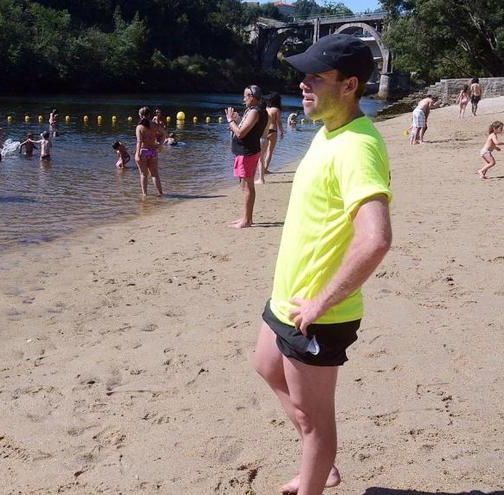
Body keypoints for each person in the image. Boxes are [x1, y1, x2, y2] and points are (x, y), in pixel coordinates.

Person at [252, 34, 392, 495]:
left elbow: (376, 240)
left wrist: (319, 303)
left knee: (315, 422)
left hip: (319, 312)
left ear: (350, 84)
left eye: (316, 76)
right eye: (303, 76)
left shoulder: (358, 146)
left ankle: (318, 468)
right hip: (288, 297)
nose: (304, 85)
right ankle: (322, 459)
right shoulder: (328, 131)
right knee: (265, 365)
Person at [225, 85, 268, 228]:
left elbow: (240, 133)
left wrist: (230, 121)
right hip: (246, 151)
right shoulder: (254, 110)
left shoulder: (255, 112)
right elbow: (246, 130)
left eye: (246, 96)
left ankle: (247, 220)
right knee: (244, 185)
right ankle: (246, 217)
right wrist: (237, 120)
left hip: (247, 153)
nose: (243, 99)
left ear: (252, 97)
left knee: (247, 187)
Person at [135, 106, 167, 196]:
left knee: (143, 175)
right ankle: (160, 193)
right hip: (153, 152)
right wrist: (160, 144)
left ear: (140, 116)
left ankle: (145, 195)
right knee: (155, 175)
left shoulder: (139, 127)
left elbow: (139, 141)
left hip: (143, 152)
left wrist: (137, 154)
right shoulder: (154, 125)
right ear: (149, 115)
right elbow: (164, 133)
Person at [258, 92, 284, 184]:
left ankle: (261, 171)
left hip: (264, 131)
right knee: (270, 151)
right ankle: (265, 169)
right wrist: (282, 131)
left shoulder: (266, 109)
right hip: (273, 131)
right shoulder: (276, 110)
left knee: (262, 153)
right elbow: (279, 122)